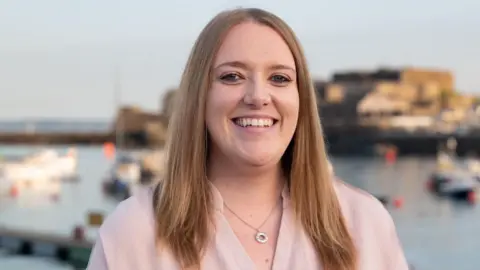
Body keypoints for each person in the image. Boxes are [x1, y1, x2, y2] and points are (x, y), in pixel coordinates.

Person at [86, 7, 409, 270]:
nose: (258, 96)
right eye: (232, 76)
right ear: (200, 95)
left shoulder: (365, 224)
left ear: (301, 100)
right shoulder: (133, 232)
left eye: (280, 78)